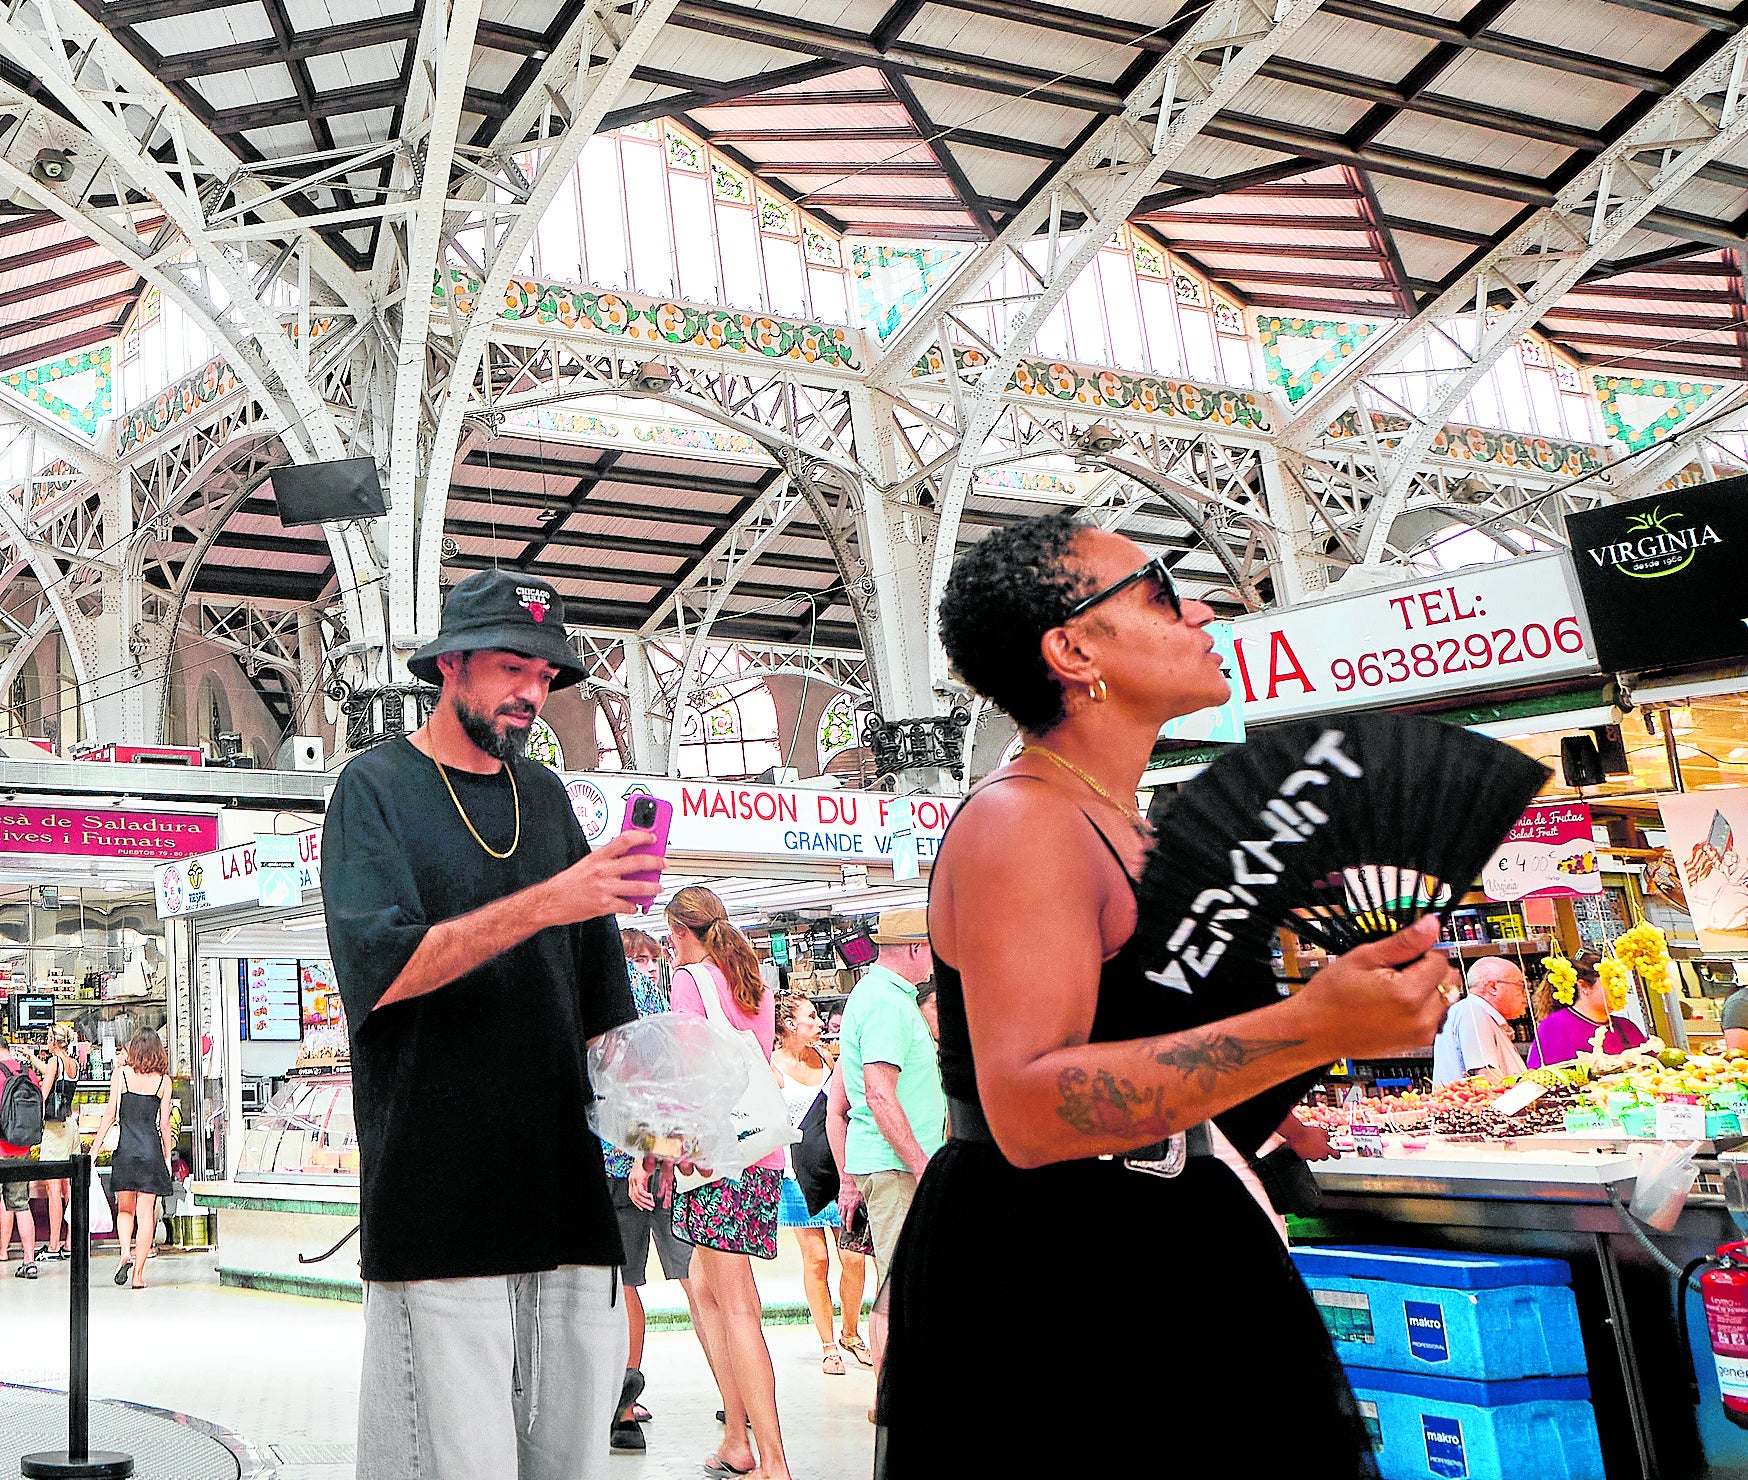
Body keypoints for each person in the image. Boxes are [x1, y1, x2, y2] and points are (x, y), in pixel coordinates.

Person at [875, 512, 1452, 1475]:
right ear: (1072, 652)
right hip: (1066, 1272)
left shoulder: (1123, 823)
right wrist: (1310, 1027)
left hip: (1168, 1232)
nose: (1202, 611)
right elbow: (1028, 1109)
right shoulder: (1025, 824)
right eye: (1160, 594)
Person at [321, 569, 666, 1480]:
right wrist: (548, 900)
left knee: (570, 1460)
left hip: (565, 1200)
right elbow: (384, 970)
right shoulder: (374, 788)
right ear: (453, 664)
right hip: (441, 1201)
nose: (532, 693)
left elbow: (601, 1006)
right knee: (453, 1461)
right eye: (514, 668)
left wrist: (655, 1126)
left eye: (546, 676)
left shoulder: (545, 799)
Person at [659, 885, 792, 1480]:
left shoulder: (691, 981)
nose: (669, 947)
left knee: (736, 1306)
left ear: (682, 932)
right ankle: (737, 1438)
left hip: (713, 1161)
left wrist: (660, 1151)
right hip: (760, 1154)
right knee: (705, 1287)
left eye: (670, 936)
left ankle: (774, 1460)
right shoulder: (753, 984)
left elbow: (687, 1075)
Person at [606, 927, 694, 1454]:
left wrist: (642, 1155)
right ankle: (741, 1398)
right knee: (698, 1284)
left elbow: (630, 1083)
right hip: (661, 1157)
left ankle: (622, 1405)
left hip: (624, 1161)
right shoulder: (658, 997)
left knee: (622, 1287)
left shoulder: (617, 995)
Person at [772, 994, 871, 1375]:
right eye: (811, 1016)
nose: (819, 1022)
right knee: (816, 1260)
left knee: (853, 1256)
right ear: (790, 1024)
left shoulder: (827, 1058)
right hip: (797, 1175)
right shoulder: (771, 1067)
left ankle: (851, 1332)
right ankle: (828, 1344)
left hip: (838, 1170)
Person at [84, 1028, 174, 1289]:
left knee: (125, 1209)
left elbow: (110, 1114)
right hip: (151, 1152)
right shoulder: (164, 1082)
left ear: (134, 1049)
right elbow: (164, 1124)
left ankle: (125, 1252)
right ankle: (138, 1275)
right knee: (146, 1216)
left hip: (126, 1150)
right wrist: (167, 1157)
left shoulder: (121, 1074)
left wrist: (94, 1150)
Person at [1528, 952, 1648, 1066]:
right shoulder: (1554, 1027)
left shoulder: (1627, 1026)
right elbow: (1542, 1075)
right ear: (1584, 986)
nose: (1620, 988)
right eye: (1610, 982)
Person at [1432, 958, 1529, 1084]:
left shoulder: (1477, 1012)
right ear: (1493, 987)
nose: (1526, 994)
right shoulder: (1473, 1012)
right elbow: (1487, 1077)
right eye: (1521, 986)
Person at [33, 1025, 81, 1261]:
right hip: (71, 1126)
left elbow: (43, 1094)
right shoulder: (73, 1064)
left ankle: (53, 1245)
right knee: (68, 1188)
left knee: (53, 1189)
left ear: (53, 1041)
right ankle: (70, 1243)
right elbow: (54, 1074)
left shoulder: (54, 1061)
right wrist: (31, 1057)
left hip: (54, 1129)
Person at [0, 1032, 41, 1277]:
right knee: (21, 1205)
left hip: (0, 1148)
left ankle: (2, 1250)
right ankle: (29, 1260)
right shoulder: (27, 1073)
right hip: (22, 1148)